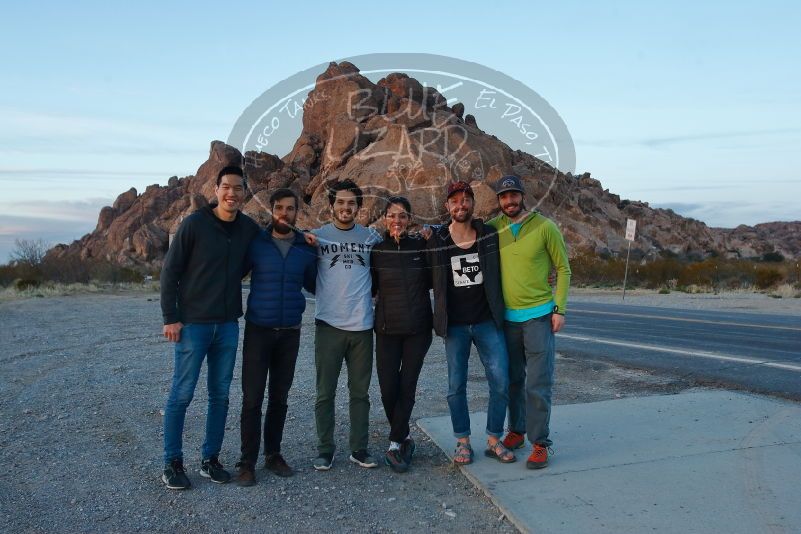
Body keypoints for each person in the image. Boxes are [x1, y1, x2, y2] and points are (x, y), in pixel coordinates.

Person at [159, 165, 259, 490]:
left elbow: (275, 242)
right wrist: (170, 317)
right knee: (182, 393)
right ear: (216, 190)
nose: (232, 193)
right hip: (193, 325)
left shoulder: (247, 228)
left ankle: (209, 460)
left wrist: (308, 238)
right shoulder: (194, 224)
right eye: (226, 187)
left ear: (244, 193)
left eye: (238, 188)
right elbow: (169, 272)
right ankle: (172, 462)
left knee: (220, 395)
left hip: (228, 325)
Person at [427, 180, 514, 465]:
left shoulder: (488, 234)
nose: (460, 205)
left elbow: (515, 257)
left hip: (487, 321)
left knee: (501, 381)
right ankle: (462, 441)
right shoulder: (438, 240)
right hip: (455, 325)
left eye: (465, 200)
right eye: (455, 201)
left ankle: (493, 438)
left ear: (473, 203)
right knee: (456, 386)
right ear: (447, 206)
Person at [235, 188, 317, 486]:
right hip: (259, 331)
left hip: (290, 334)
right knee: (252, 399)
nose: (285, 213)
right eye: (279, 208)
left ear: (297, 212)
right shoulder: (256, 244)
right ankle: (247, 462)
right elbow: (232, 275)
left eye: (290, 208)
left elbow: (316, 285)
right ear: (272, 211)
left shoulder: (306, 248)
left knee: (279, 399)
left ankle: (273, 454)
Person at [488, 175, 571, 469]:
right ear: (498, 201)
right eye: (503, 196)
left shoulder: (545, 227)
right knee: (512, 380)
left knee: (538, 383)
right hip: (507, 320)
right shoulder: (494, 229)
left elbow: (563, 268)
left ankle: (540, 443)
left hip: (538, 316)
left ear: (523, 196)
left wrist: (559, 309)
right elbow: (462, 232)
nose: (509, 201)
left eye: (513, 195)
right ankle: (517, 431)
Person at [310, 179, 383, 471]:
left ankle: (359, 448)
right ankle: (325, 449)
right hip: (329, 324)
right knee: (325, 392)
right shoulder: (316, 236)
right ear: (331, 206)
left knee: (360, 393)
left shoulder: (371, 238)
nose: (345, 207)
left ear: (358, 207)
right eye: (340, 202)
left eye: (351, 203)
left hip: (362, 325)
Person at [371, 196, 433, 473]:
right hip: (386, 330)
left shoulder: (421, 246)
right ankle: (405, 436)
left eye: (402, 216)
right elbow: (370, 286)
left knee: (407, 387)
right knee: (387, 390)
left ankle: (395, 444)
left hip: (418, 330)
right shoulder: (377, 251)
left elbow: (437, 279)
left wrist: (433, 234)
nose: (397, 221)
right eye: (392, 216)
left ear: (410, 220)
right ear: (385, 219)